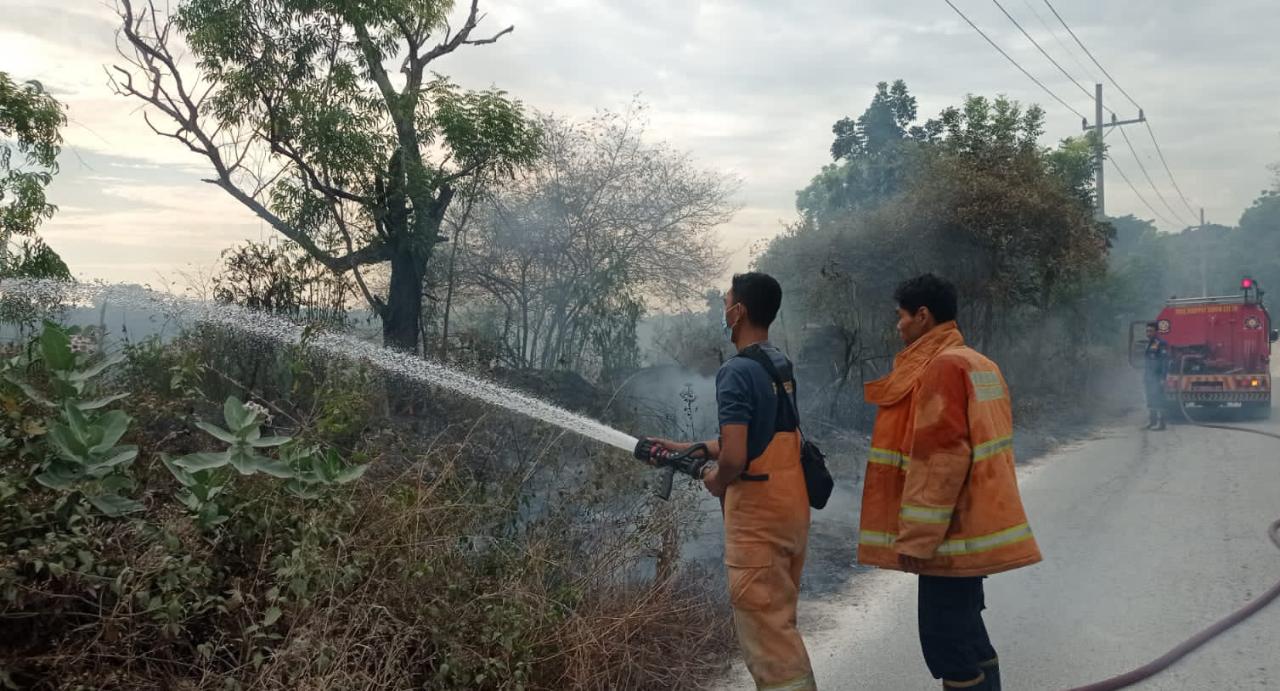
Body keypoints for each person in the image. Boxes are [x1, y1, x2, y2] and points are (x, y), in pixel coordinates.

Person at [858, 274, 1041, 691]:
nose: (898, 326)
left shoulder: (941, 368)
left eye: (901, 317)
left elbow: (939, 461)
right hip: (972, 531)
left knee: (946, 644)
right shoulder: (978, 363)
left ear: (923, 316)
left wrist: (917, 540)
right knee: (969, 636)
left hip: (947, 536)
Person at [645, 272, 815, 691]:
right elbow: (764, 438)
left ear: (739, 312)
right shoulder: (777, 362)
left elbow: (737, 457)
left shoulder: (736, 371)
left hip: (757, 523)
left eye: (726, 303)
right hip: (790, 512)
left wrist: (715, 479)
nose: (724, 311)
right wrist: (694, 448)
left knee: (769, 643)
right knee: (781, 623)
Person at [1143, 322, 1170, 430]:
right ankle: (1152, 422)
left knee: (1159, 399)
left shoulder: (1161, 343)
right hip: (1149, 377)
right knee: (1150, 399)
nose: (1148, 333)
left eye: (1150, 331)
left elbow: (1164, 362)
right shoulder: (1149, 343)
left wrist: (1163, 378)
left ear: (1156, 332)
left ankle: (1162, 424)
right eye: (1147, 331)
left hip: (1157, 377)